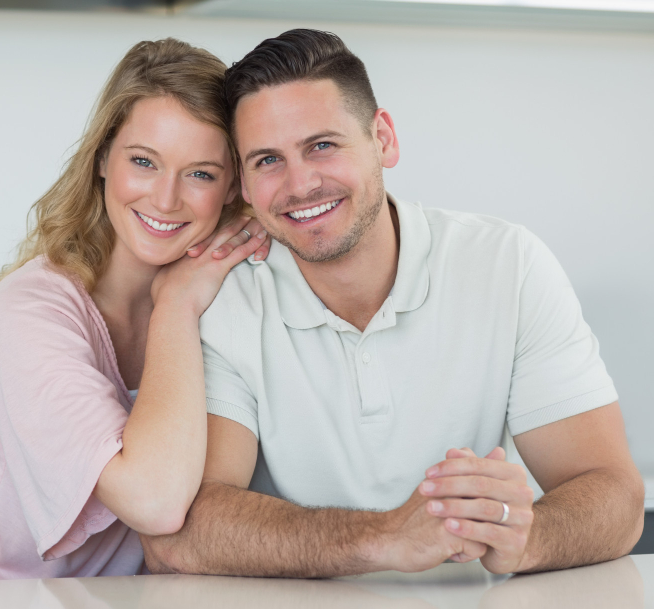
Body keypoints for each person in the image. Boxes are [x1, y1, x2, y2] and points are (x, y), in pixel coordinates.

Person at [141, 29, 644, 577]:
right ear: (242, 181)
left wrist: (529, 538)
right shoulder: (226, 295)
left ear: (383, 139)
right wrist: (383, 538)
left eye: (322, 145)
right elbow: (182, 531)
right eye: (267, 160)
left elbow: (614, 494)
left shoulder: (507, 264)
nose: (301, 183)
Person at [0, 38, 270, 582]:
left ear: (233, 187)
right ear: (103, 159)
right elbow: (155, 502)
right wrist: (175, 303)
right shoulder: (31, 309)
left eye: (200, 173)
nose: (165, 198)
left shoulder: (226, 291)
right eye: (143, 162)